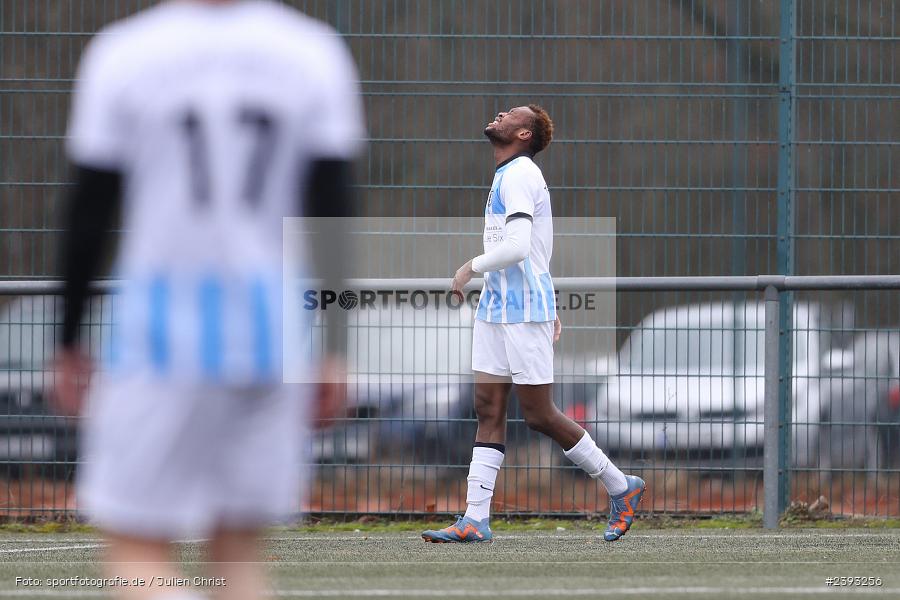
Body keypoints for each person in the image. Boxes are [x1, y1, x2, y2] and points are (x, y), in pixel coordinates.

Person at [53, 1, 363, 598]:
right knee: (237, 557)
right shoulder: (313, 51)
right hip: (270, 329)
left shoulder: (124, 52)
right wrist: (336, 344)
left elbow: (88, 211)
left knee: (135, 549)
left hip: (161, 331)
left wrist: (68, 339)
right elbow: (334, 210)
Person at [422, 105, 644, 544]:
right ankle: (474, 519)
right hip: (496, 309)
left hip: (522, 310)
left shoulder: (521, 172)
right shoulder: (506, 173)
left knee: (540, 415)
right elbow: (537, 247)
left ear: (523, 133)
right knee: (487, 407)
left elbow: (520, 247)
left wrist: (471, 266)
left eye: (509, 115)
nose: (498, 114)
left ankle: (621, 486)